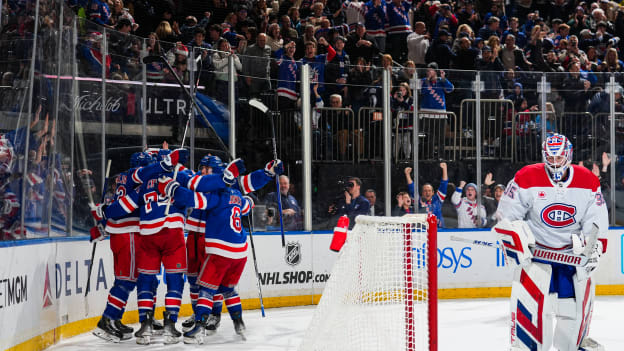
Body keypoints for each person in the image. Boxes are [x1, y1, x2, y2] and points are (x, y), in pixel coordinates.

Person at [496, 133, 608, 351]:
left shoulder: (587, 180)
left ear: (568, 155)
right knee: (531, 326)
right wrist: (515, 241)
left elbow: (596, 221)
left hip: (572, 258)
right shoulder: (526, 177)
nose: (554, 163)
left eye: (559, 158)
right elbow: (506, 217)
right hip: (536, 258)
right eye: (551, 158)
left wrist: (593, 247)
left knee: (573, 320)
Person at [405, 162, 448, 227]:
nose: (427, 193)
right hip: (422, 231)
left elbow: (444, 185)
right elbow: (412, 189)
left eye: (429, 191)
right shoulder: (418, 202)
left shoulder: (438, 199)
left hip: (439, 231)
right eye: (425, 191)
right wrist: (407, 175)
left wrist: (444, 169)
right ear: (422, 193)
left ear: (433, 192)